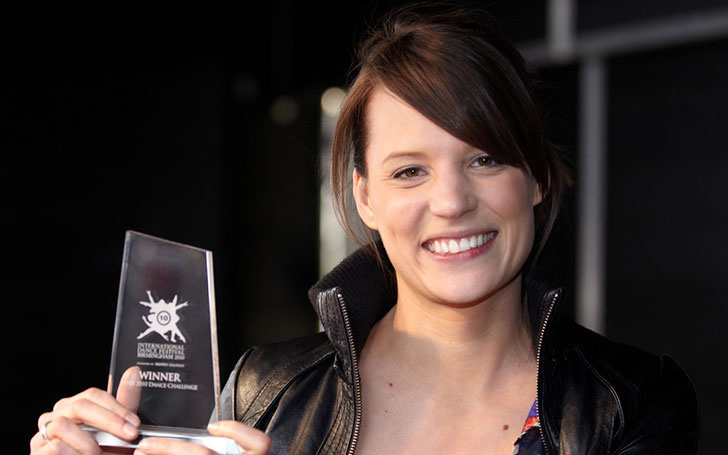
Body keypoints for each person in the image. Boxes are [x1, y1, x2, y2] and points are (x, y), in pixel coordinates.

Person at [30, 3, 700, 455]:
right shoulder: (264, 393)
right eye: (409, 171)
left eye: (485, 158)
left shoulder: (632, 404)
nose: (451, 201)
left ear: (537, 178)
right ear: (365, 198)